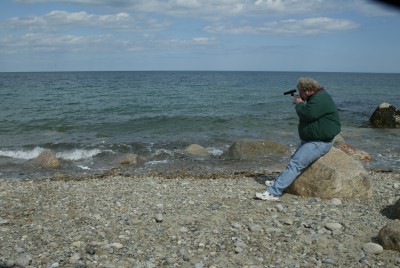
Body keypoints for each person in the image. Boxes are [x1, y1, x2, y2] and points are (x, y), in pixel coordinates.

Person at [255, 77, 341, 201]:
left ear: (307, 90)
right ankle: (278, 182)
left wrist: (299, 104)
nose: (299, 94)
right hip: (313, 140)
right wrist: (302, 103)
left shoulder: (320, 98)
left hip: (319, 142)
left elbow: (308, 114)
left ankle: (274, 193)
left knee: (295, 164)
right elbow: (311, 113)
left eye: (300, 91)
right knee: (294, 161)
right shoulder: (317, 97)